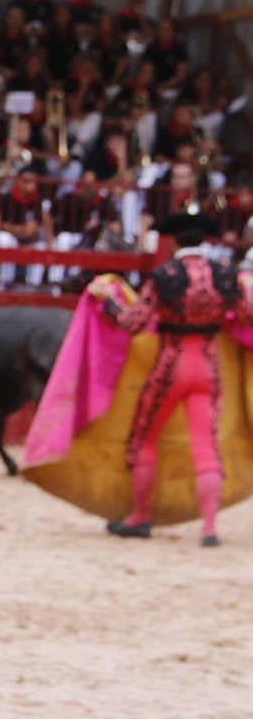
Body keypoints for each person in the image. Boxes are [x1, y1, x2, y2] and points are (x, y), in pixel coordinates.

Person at [89, 211, 253, 545]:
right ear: (204, 240)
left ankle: (140, 517)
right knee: (206, 446)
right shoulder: (226, 274)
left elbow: (133, 323)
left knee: (144, 438)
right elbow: (249, 315)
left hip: (171, 364)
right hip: (208, 366)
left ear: (173, 242)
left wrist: (108, 302)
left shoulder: (165, 275)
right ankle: (209, 528)